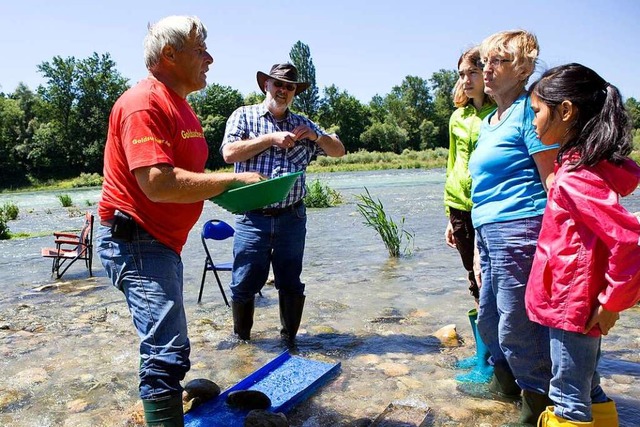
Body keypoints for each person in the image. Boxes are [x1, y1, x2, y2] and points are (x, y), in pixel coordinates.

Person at [97, 15, 262, 426]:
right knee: (166, 351)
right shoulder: (144, 103)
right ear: (169, 55)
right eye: (199, 48)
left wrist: (231, 193)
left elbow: (188, 182)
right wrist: (231, 179)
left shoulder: (181, 107)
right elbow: (156, 182)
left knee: (169, 346)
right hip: (135, 238)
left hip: (161, 241)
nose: (210, 57)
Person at [527, 63, 640, 427]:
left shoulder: (575, 177)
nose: (532, 122)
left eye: (537, 112)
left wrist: (612, 303)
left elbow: (630, 242)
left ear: (566, 111)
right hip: (576, 300)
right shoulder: (583, 168)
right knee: (587, 388)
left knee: (567, 398)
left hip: (569, 304)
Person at [462, 30, 558, 426]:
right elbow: (482, 189)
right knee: (489, 321)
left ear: (524, 69)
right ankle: (505, 397)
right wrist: (475, 247)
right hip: (489, 231)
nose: (487, 67)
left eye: (498, 61)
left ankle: (536, 407)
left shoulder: (528, 113)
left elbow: (552, 181)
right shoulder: (488, 121)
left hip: (521, 228)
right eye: (486, 60)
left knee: (517, 325)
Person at [221, 63, 345, 344]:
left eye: (289, 87)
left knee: (291, 283)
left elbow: (338, 151)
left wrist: (316, 136)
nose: (283, 90)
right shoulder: (244, 116)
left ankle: (289, 341)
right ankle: (243, 344)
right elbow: (228, 153)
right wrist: (269, 139)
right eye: (278, 84)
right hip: (252, 217)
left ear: (294, 93)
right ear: (266, 85)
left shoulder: (303, 123)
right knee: (243, 283)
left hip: (293, 217)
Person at [443, 46, 496, 384]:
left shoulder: (499, 112)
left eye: (472, 72)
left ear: (487, 72)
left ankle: (494, 359)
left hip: (490, 206)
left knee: (489, 280)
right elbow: (452, 163)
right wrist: (449, 214)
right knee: (473, 280)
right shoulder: (457, 117)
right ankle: (482, 355)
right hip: (459, 205)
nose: (467, 79)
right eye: (462, 74)